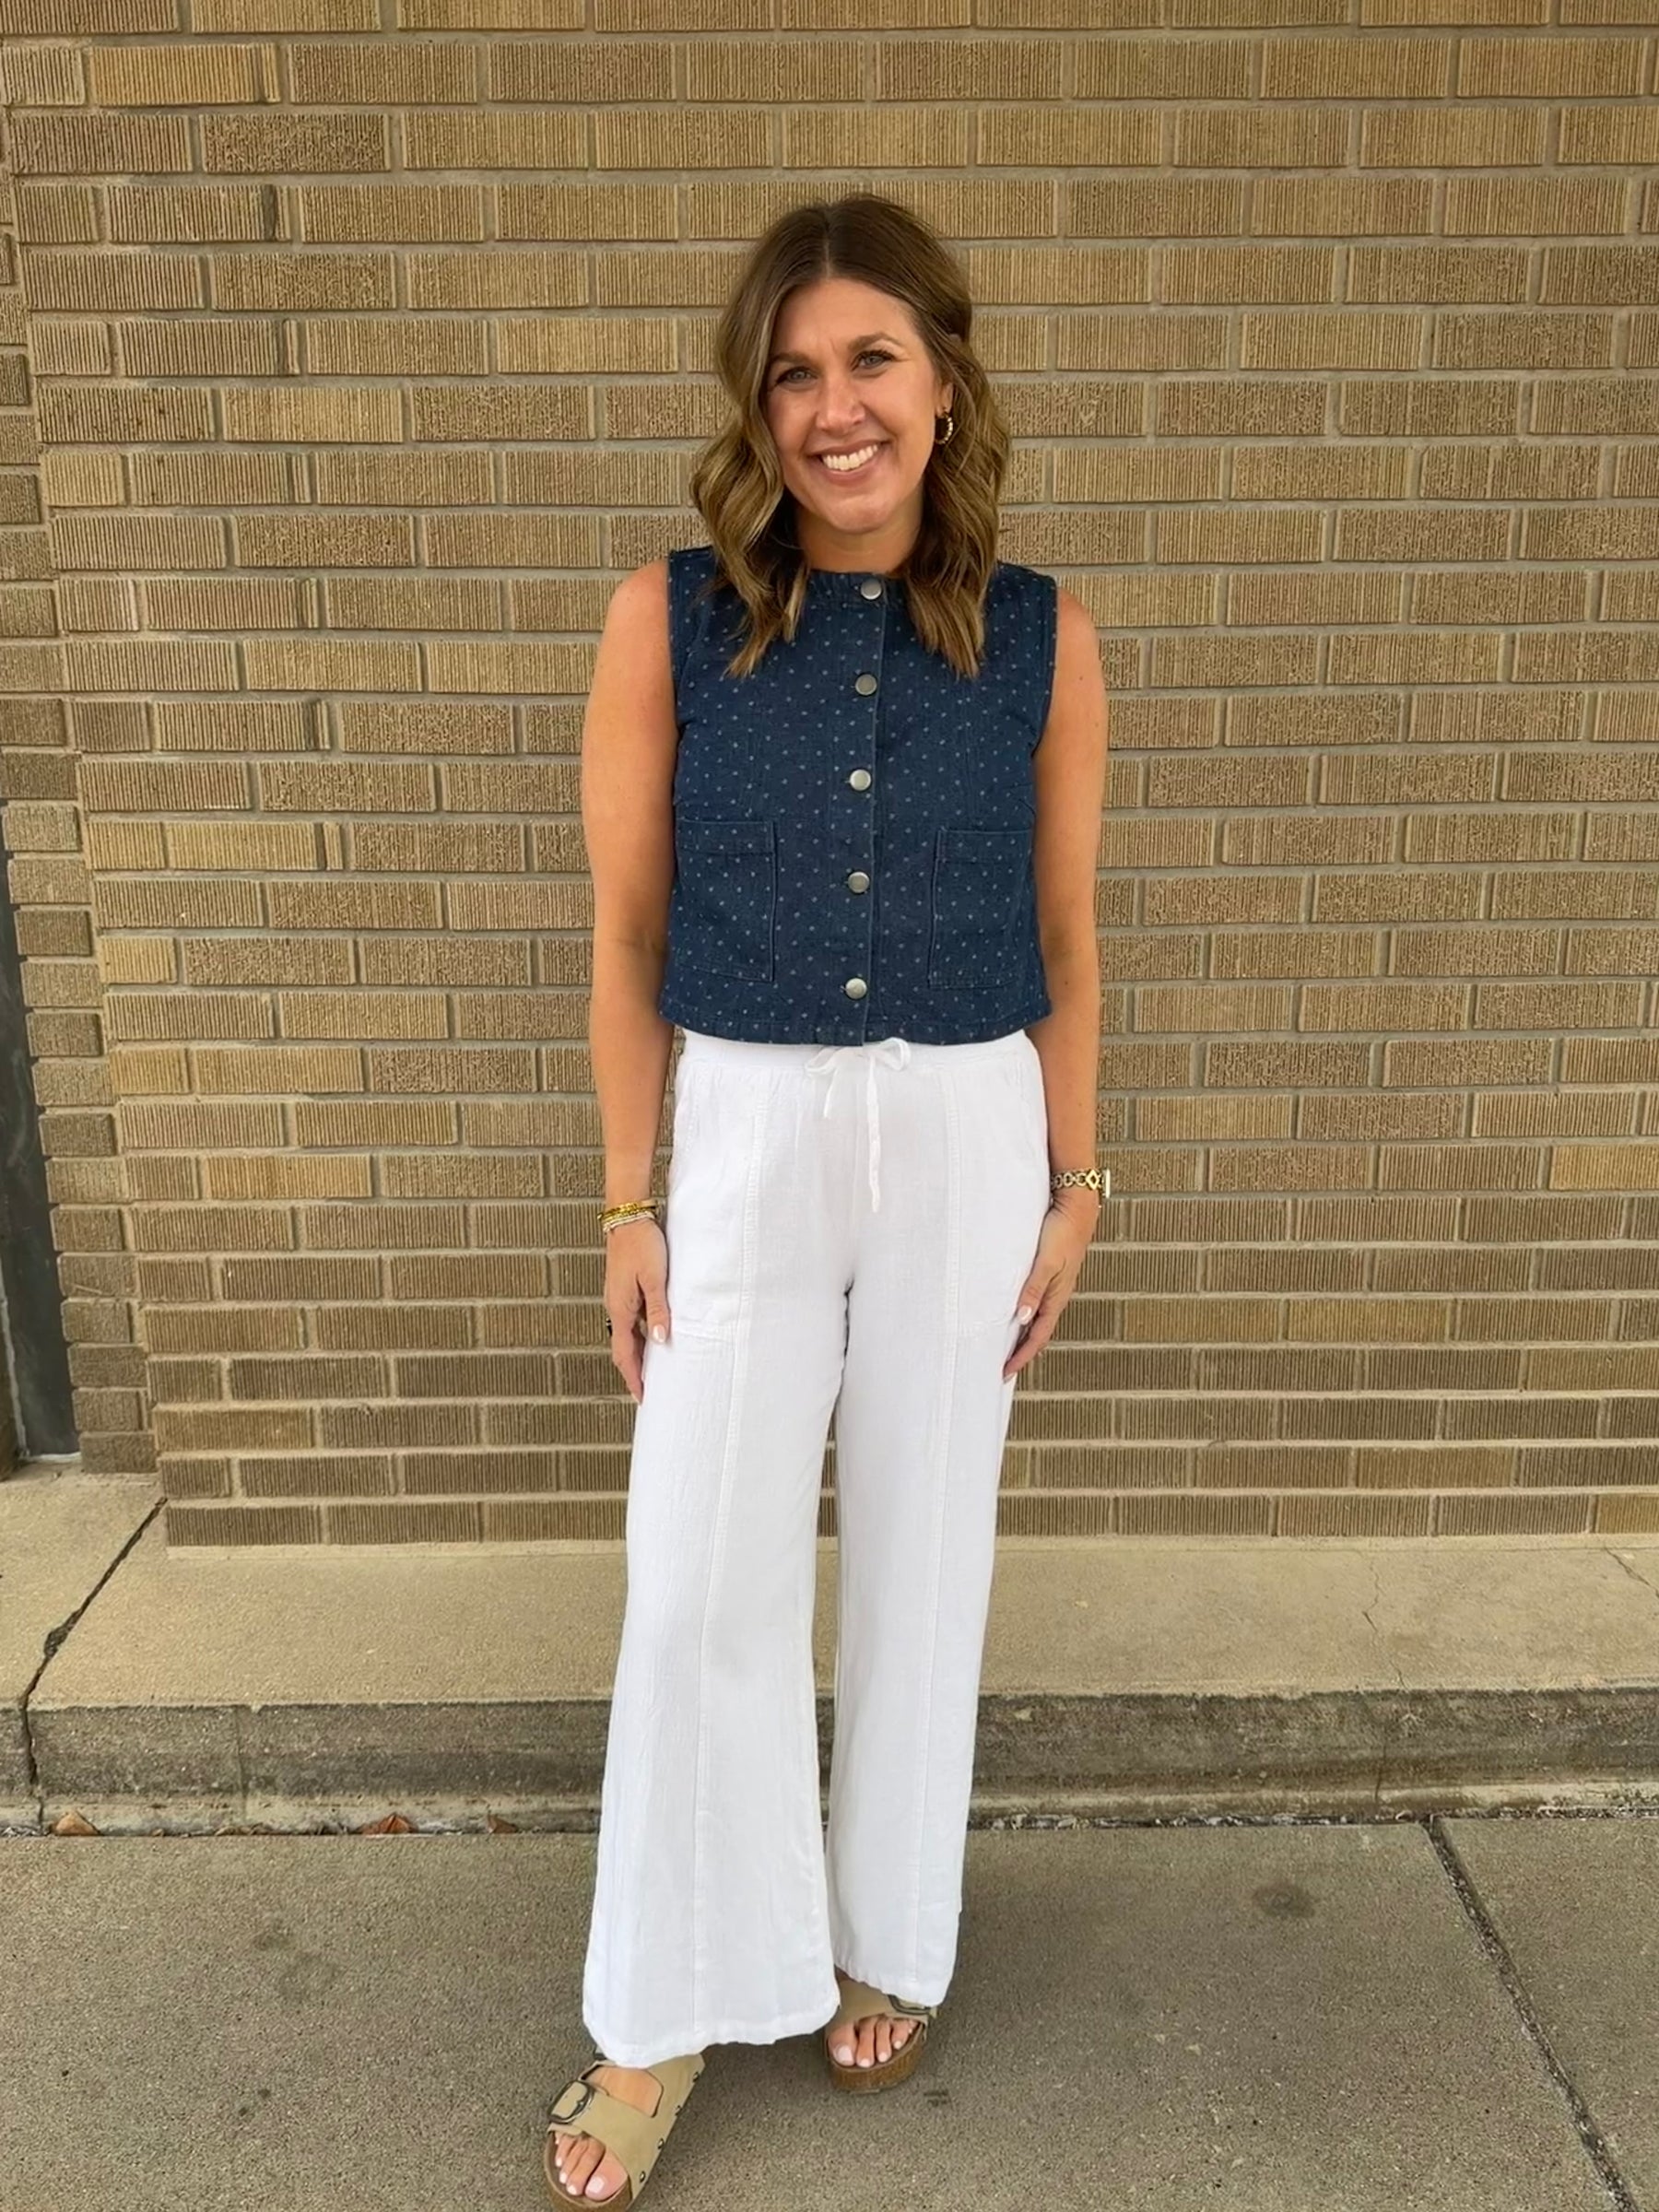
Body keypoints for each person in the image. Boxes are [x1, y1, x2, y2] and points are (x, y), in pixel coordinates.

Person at [545, 190, 1110, 2207]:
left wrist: (1074, 1175)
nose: (831, 406)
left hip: (967, 1128)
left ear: (943, 387)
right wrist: (631, 1204)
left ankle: (892, 1932)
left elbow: (1069, 926)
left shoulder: (1042, 630)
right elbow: (622, 934)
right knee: (699, 1577)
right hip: (753, 1130)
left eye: (870, 359)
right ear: (757, 406)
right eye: (793, 370)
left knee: (923, 1562)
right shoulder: (671, 616)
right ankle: (660, 2009)